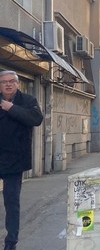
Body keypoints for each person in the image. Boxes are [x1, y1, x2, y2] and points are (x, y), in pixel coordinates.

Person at [0, 70, 44, 250]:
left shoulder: (28, 101)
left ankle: (11, 242)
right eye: (3, 82)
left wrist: (11, 108)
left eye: (11, 81)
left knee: (11, 203)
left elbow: (36, 119)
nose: (8, 84)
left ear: (18, 84)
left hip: (14, 160)